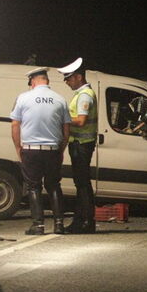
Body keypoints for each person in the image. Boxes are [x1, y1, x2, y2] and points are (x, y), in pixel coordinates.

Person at [11, 67, 71, 235]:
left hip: (31, 150)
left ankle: (38, 225)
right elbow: (66, 129)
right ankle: (59, 224)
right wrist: (61, 149)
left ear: (34, 81)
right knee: (53, 185)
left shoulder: (23, 98)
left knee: (33, 186)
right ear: (47, 80)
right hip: (53, 150)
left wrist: (18, 147)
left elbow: (15, 125)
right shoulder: (60, 100)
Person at [58, 57, 98, 234]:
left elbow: (80, 121)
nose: (66, 82)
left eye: (69, 78)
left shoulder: (84, 95)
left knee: (82, 184)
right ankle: (82, 220)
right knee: (81, 183)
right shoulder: (81, 94)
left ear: (79, 77)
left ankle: (85, 222)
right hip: (80, 144)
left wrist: (61, 119)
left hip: (82, 145)